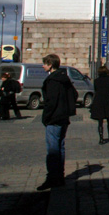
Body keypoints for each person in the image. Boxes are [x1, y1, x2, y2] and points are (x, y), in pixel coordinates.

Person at [37, 53, 77, 191]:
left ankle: (52, 178)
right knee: (60, 147)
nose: (43, 66)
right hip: (64, 117)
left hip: (54, 118)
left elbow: (51, 101)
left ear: (50, 65)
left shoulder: (53, 80)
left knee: (53, 150)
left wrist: (46, 117)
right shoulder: (65, 78)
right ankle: (59, 176)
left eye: (45, 63)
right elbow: (74, 94)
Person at [90, 66, 109, 144]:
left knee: (100, 121)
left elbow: (96, 90)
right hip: (107, 100)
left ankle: (101, 138)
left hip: (98, 101)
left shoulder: (96, 81)